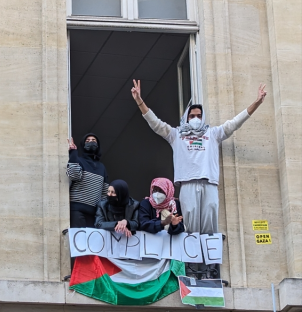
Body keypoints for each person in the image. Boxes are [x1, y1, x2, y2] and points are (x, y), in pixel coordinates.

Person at [131, 80, 267, 234]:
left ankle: (211, 255)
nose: (195, 119)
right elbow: (156, 124)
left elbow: (235, 123)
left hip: (209, 182)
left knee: (210, 224)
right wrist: (139, 101)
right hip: (187, 184)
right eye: (192, 116)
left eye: (199, 116)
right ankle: (192, 257)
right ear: (186, 118)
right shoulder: (176, 135)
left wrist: (256, 103)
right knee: (190, 228)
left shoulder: (213, 134)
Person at [66, 133, 109, 228]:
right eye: (87, 141)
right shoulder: (79, 160)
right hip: (77, 210)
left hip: (94, 213)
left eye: (93, 140)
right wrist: (73, 152)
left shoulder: (102, 167)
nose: (91, 142)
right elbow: (74, 175)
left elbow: (105, 192)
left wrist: (101, 211)